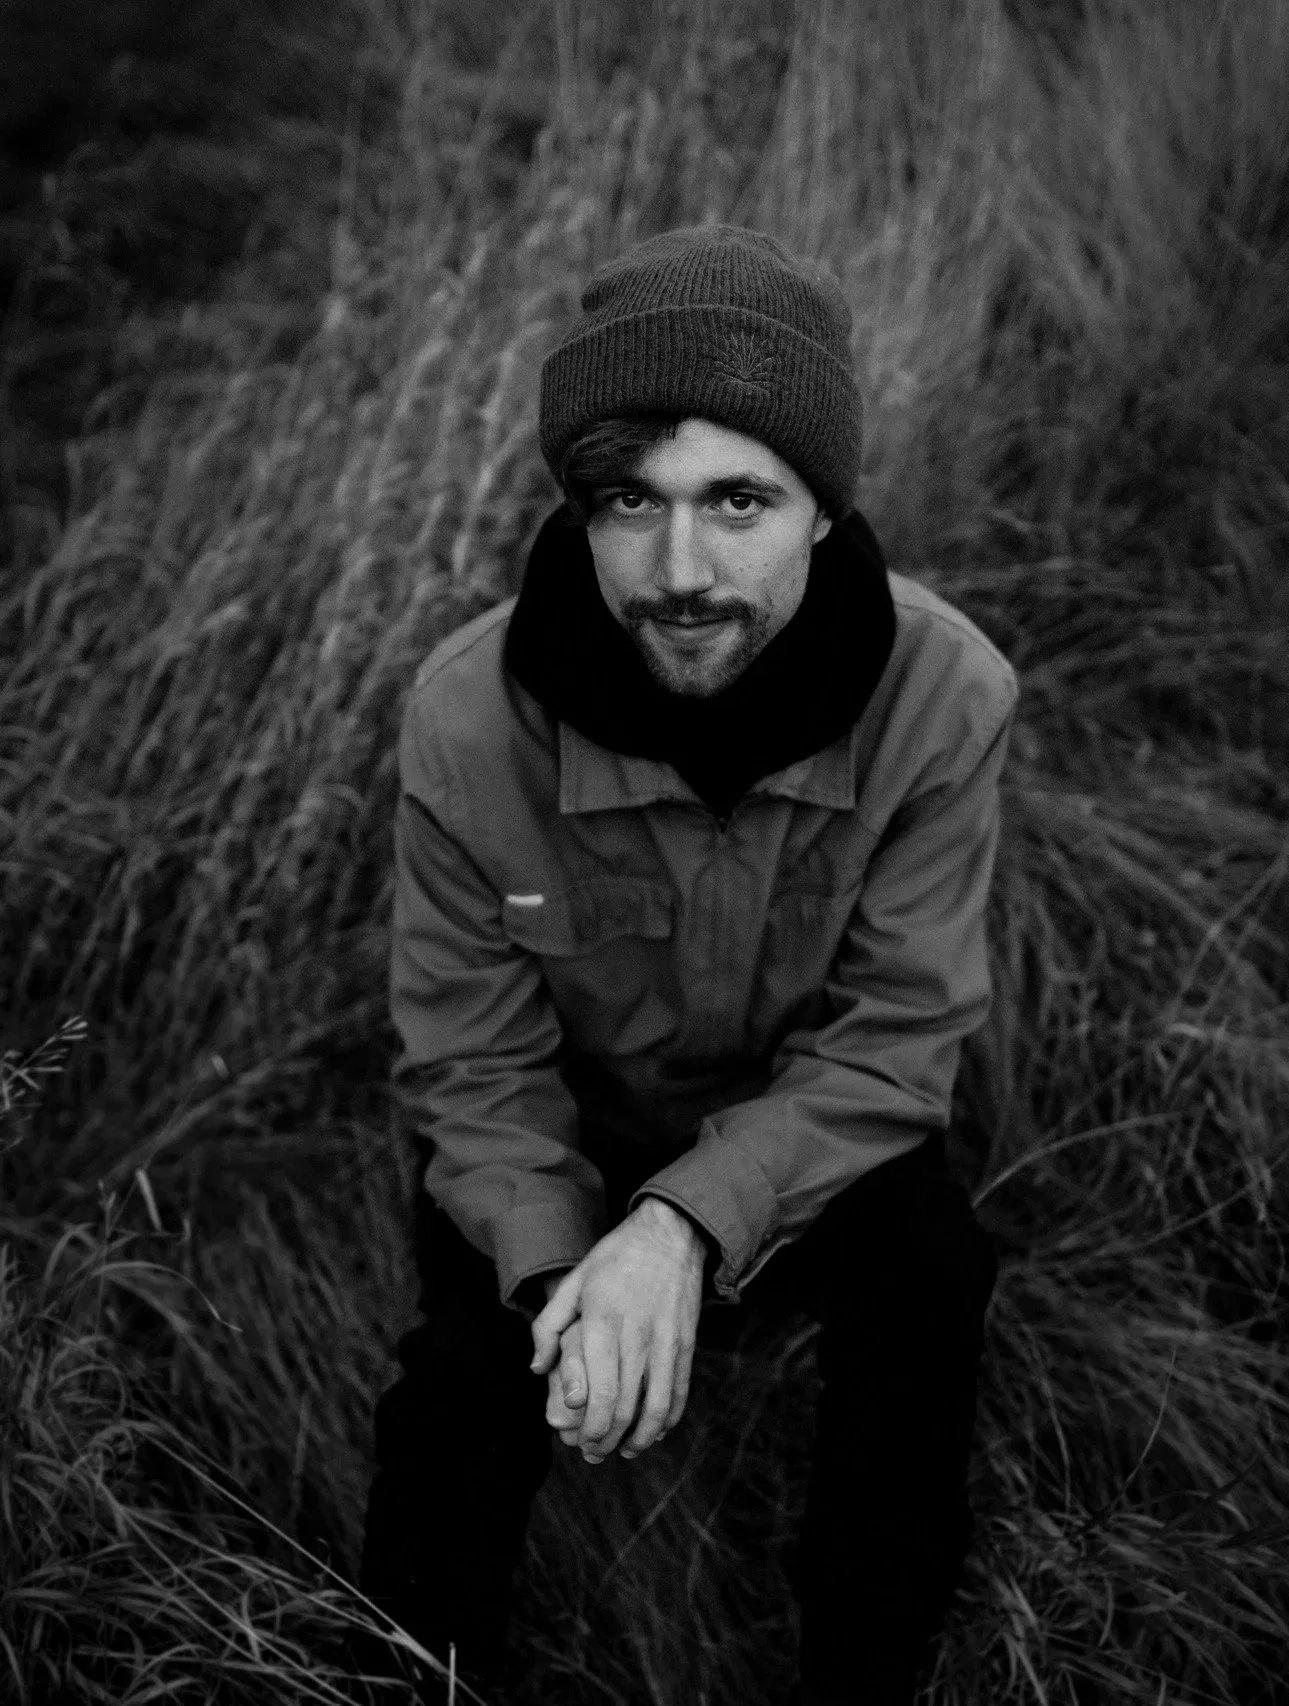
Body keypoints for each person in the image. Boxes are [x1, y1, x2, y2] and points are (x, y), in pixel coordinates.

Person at [358, 224, 1017, 1705]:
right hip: (568, 1125)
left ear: (824, 511)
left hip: (813, 1122)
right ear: (581, 510)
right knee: (456, 1399)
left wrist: (680, 1232)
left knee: (931, 1276)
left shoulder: (946, 693)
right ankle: (414, 1679)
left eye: (739, 501)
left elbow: (901, 1036)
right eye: (628, 503)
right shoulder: (467, 718)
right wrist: (558, 1273)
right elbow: (470, 1062)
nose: (679, 570)